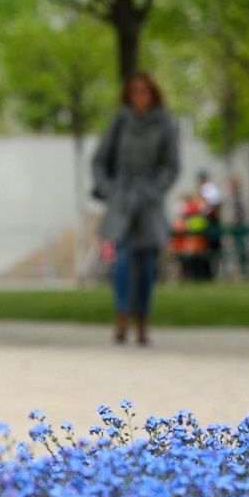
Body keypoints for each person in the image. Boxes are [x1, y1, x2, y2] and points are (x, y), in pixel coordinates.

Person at [91, 71, 179, 344]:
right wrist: (110, 190)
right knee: (123, 260)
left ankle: (142, 321)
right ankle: (122, 316)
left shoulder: (164, 123)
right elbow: (99, 161)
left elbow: (172, 167)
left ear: (153, 94)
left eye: (144, 91)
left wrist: (155, 191)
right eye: (134, 91)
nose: (139, 96)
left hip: (149, 202)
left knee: (148, 264)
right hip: (122, 200)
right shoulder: (120, 121)